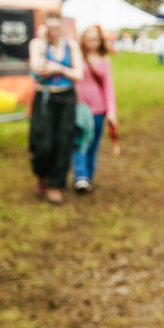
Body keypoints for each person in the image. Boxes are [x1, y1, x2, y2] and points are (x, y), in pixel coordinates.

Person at [28, 13, 84, 205]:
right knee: (43, 142)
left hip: (66, 97)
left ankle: (55, 185)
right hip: (44, 96)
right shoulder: (37, 44)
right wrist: (43, 42)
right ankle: (42, 174)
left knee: (64, 141)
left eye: (58, 27)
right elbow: (38, 68)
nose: (55, 32)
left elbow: (79, 74)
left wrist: (59, 69)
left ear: (63, 28)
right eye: (50, 28)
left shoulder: (71, 45)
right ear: (45, 28)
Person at [72, 25, 118, 193]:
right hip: (79, 108)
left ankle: (88, 175)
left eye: (95, 38)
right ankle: (80, 175)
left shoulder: (104, 61)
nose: (92, 41)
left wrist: (111, 111)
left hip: (98, 109)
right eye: (89, 37)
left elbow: (108, 87)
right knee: (78, 140)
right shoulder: (77, 57)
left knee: (93, 143)